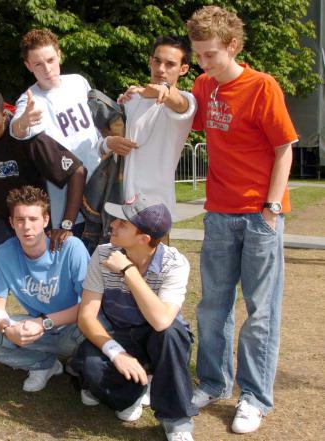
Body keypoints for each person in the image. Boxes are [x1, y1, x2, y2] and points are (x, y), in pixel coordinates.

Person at [186, 6, 297, 434]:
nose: (203, 63)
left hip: (258, 217)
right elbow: (185, 114)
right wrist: (154, 93)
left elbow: (284, 147)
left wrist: (271, 209)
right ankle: (215, 383)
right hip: (219, 214)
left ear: (232, 46)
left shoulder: (263, 86)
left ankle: (254, 397)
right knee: (213, 307)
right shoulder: (203, 83)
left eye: (210, 54)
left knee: (260, 312)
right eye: (198, 55)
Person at [70, 196, 197, 441]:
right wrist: (117, 353)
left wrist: (128, 271)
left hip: (156, 338)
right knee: (90, 363)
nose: (112, 226)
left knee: (171, 333)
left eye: (123, 224)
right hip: (121, 334)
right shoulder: (102, 253)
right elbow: (86, 316)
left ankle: (176, 419)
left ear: (144, 239)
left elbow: (161, 321)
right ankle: (135, 392)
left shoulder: (175, 264)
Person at [0, 87, 86, 272]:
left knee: (42, 275)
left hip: (28, 216)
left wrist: (66, 225)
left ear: (4, 115)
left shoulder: (24, 134)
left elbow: (77, 171)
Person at [0, 186, 90, 392]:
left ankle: (83, 369)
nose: (26, 227)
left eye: (33, 219)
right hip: (38, 329)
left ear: (46, 220)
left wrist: (44, 322)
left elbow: (90, 306)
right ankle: (43, 365)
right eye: (19, 220)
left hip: (72, 327)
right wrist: (7, 329)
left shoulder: (72, 248)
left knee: (97, 327)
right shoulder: (3, 253)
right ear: (11, 222)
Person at [10, 29, 105, 235]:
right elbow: (17, 130)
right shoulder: (29, 99)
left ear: (59, 55)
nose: (47, 69)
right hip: (68, 203)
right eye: (38, 64)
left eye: (51, 60)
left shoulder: (78, 82)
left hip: (101, 188)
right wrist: (24, 121)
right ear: (28, 66)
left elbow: (98, 123)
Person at [114, 36, 196, 217]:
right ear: (150, 61)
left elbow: (180, 103)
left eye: (170, 64)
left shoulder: (186, 101)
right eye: (157, 61)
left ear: (183, 69)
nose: (160, 69)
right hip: (119, 202)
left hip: (156, 207)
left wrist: (165, 91)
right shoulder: (130, 99)